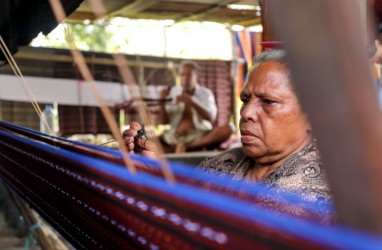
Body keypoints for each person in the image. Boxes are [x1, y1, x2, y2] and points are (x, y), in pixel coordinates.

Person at [123, 50, 332, 222]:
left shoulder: (321, 188)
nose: (246, 113)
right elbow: (184, 206)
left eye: (268, 101)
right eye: (245, 100)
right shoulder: (223, 163)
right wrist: (154, 172)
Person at [158, 60, 233, 153]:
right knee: (147, 141)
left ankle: (186, 148)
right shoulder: (173, 92)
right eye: (182, 75)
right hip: (174, 137)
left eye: (189, 75)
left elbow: (211, 118)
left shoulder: (206, 93)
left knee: (229, 129)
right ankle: (179, 148)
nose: (185, 78)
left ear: (196, 76)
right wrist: (162, 101)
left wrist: (191, 101)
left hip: (200, 136)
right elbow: (164, 122)